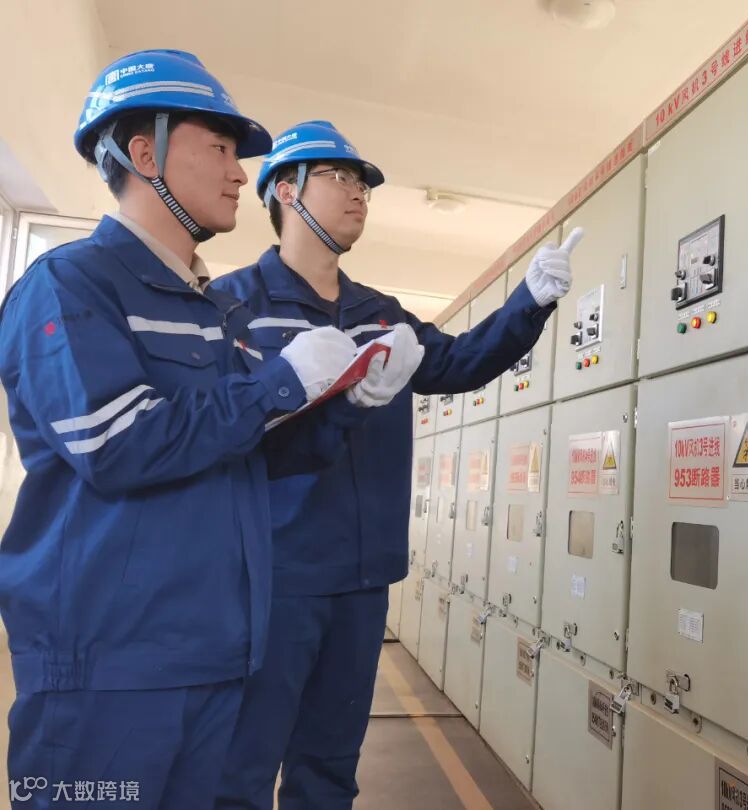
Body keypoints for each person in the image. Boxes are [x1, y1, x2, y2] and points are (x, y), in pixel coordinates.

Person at [0, 52, 420, 809]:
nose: (238, 172)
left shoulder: (216, 312)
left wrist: (348, 404)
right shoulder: (70, 284)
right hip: (112, 669)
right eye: (221, 148)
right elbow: (117, 443)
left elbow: (248, 457)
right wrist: (281, 383)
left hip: (220, 655)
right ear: (145, 154)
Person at [211, 119, 583, 809]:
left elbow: (459, 363)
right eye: (340, 177)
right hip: (274, 577)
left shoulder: (378, 313)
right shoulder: (236, 308)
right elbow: (225, 436)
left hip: (363, 578)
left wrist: (529, 301)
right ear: (286, 191)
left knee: (330, 769)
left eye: (364, 184)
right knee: (242, 767)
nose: (360, 194)